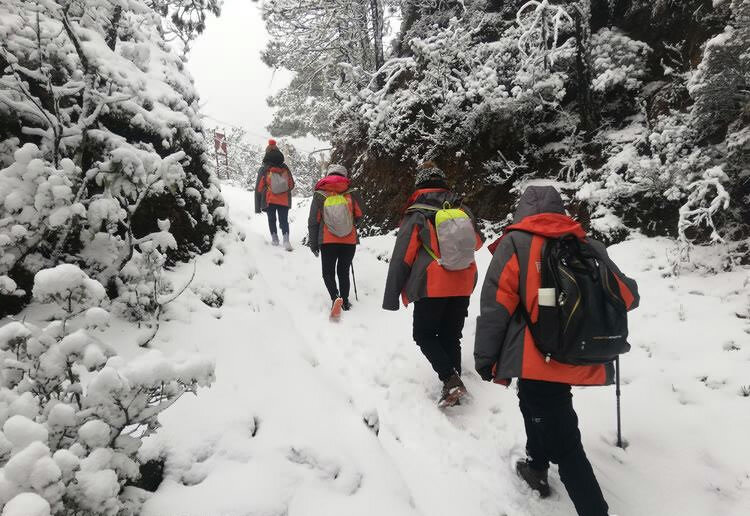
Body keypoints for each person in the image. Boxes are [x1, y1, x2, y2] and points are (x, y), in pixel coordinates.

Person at [474, 185, 639, 516]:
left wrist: (485, 359)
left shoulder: (515, 245)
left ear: (521, 210)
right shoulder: (585, 245)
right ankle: (536, 465)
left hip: (538, 357)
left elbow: (496, 309)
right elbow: (629, 296)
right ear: (559, 210)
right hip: (573, 350)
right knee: (535, 401)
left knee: (566, 444)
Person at [382, 162, 483, 407]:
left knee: (424, 334)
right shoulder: (463, 210)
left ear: (420, 184)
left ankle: (451, 380)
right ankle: (454, 383)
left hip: (433, 283)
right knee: (451, 334)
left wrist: (391, 295)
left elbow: (402, 256)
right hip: (463, 280)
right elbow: (477, 242)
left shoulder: (417, 214)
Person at [307, 164, 363, 316]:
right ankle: (344, 301)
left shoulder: (320, 194)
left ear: (328, 175)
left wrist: (313, 243)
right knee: (343, 272)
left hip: (327, 240)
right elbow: (359, 215)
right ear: (344, 176)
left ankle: (335, 297)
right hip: (349, 240)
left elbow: (313, 220)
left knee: (328, 273)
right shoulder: (352, 193)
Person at [254, 139, 295, 250]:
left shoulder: (265, 169)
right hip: (284, 200)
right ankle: (286, 240)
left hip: (270, 199)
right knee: (284, 220)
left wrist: (258, 206)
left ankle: (275, 239)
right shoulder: (285, 167)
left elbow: (259, 188)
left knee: (272, 219)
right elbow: (291, 185)